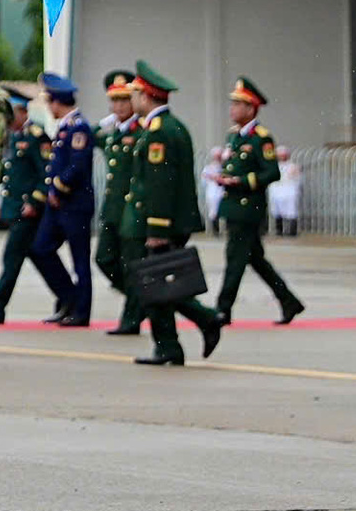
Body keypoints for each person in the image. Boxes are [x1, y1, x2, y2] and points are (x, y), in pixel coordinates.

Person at [121, 62, 221, 367]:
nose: (131, 100)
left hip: (159, 222)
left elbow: (160, 184)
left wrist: (157, 230)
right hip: (161, 221)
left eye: (134, 94)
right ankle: (171, 344)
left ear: (146, 96)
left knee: (155, 284)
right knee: (155, 284)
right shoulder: (166, 127)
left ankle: (198, 323)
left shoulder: (160, 132)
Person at [214, 78, 304, 325]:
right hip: (233, 205)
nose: (232, 109)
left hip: (248, 208)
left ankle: (223, 309)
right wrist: (225, 178)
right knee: (255, 259)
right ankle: (289, 301)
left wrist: (241, 181)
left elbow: (271, 172)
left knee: (235, 259)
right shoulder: (234, 136)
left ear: (250, 108)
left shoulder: (260, 138)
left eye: (237, 104)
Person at [0, 89, 55, 325]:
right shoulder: (13, 137)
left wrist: (34, 201)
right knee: (38, 256)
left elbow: (46, 174)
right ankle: (69, 297)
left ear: (23, 112)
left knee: (11, 260)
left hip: (27, 211)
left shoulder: (36, 137)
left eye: (11, 114)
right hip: (15, 208)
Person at [29, 73, 94, 327]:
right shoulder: (65, 127)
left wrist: (57, 189)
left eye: (49, 102)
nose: (49, 108)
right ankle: (68, 297)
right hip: (57, 205)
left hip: (74, 204)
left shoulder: (78, 127)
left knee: (80, 260)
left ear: (57, 102)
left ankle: (81, 312)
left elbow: (77, 166)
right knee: (40, 248)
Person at [93, 70, 144, 337]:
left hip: (131, 210)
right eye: (114, 100)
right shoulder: (113, 133)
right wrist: (104, 124)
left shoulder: (141, 132)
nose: (119, 106)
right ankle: (141, 300)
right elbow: (89, 136)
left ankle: (131, 318)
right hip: (113, 210)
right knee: (103, 259)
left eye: (124, 100)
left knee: (132, 265)